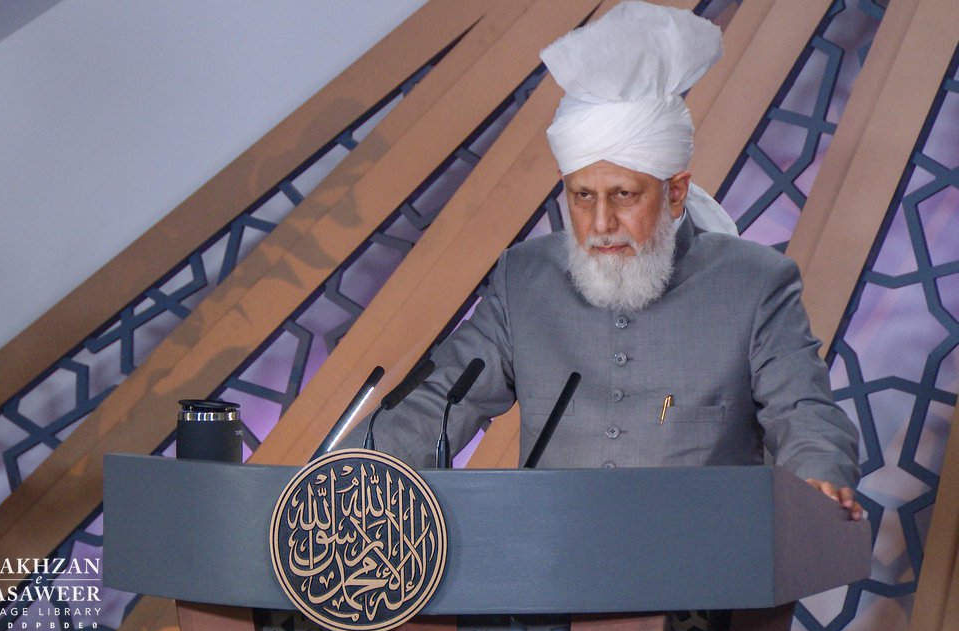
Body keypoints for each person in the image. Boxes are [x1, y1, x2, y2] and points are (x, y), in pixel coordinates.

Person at [352, 1, 862, 519]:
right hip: (549, 557)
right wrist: (347, 481)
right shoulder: (524, 279)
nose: (600, 223)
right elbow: (439, 399)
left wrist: (818, 480)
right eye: (582, 197)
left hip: (703, 558)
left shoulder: (755, 283)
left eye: (623, 195)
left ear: (676, 192)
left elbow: (804, 415)